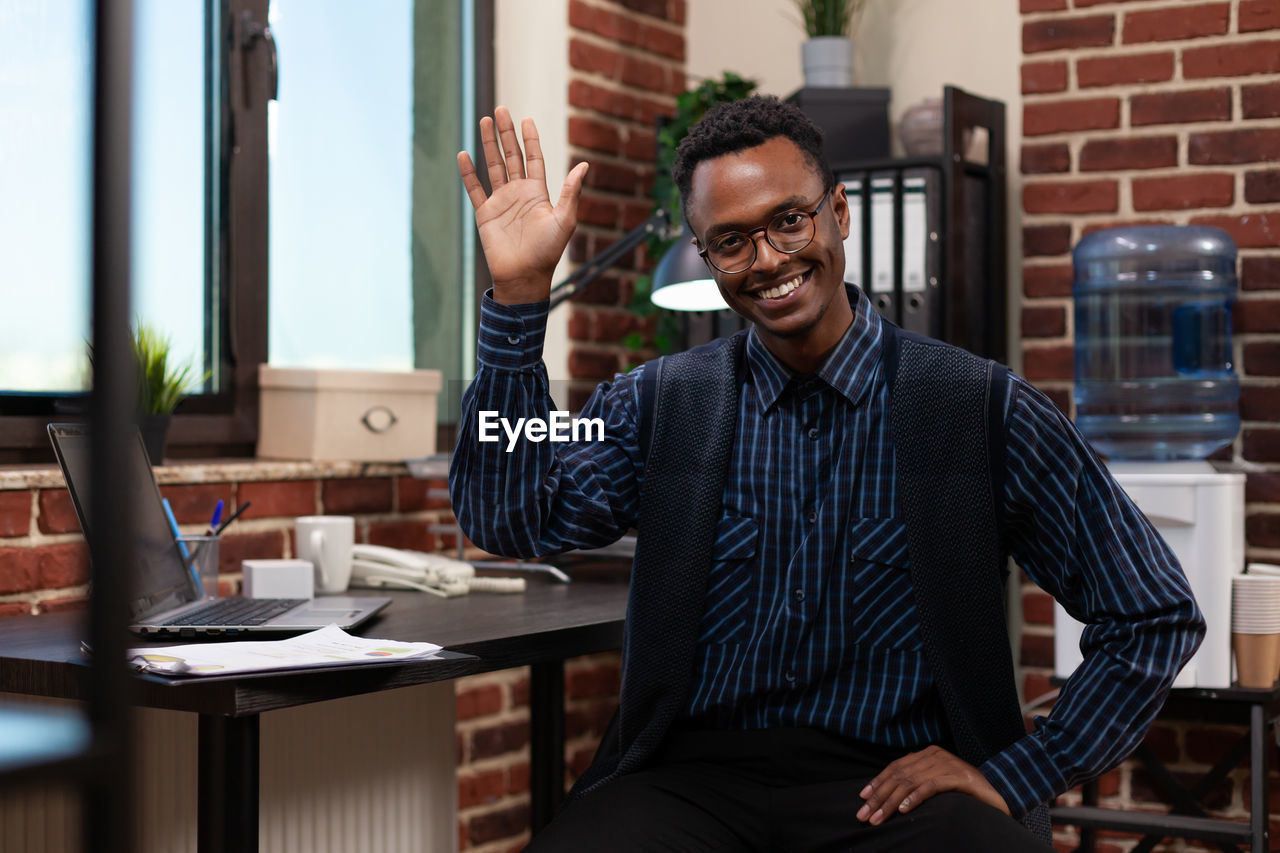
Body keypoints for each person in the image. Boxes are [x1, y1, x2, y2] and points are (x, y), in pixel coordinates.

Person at [449, 97, 1204, 852]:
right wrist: (518, 303)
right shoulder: (659, 402)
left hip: (898, 790)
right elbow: (507, 518)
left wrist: (1020, 772)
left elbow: (1151, 611)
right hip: (688, 784)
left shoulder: (976, 407)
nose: (770, 260)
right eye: (732, 242)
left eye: (788, 220)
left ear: (839, 210)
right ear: (708, 260)